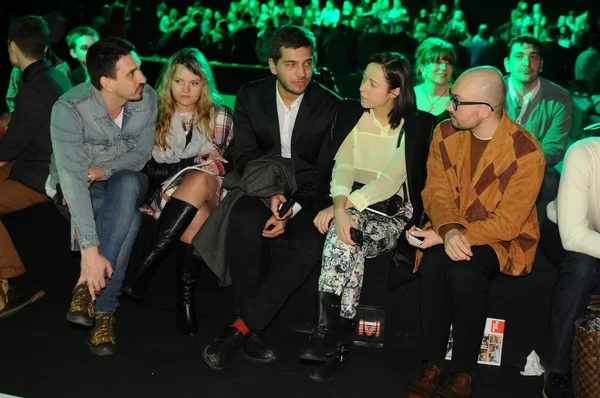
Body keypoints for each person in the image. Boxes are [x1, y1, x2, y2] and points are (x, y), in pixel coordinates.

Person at [201, 25, 341, 371]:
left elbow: (322, 170)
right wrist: (272, 193)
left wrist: (290, 208)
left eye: (307, 64)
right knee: (245, 219)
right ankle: (252, 329)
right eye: (291, 64)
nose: (301, 73)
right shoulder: (251, 95)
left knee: (310, 245)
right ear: (272, 65)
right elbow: (244, 154)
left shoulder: (330, 104)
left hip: (308, 197)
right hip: (259, 187)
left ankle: (240, 328)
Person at [405, 67, 545, 398]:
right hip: (448, 226)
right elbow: (435, 191)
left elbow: (509, 223)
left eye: (456, 101)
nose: (448, 107)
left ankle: (464, 370)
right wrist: (449, 230)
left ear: (484, 110)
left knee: (466, 273)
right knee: (435, 264)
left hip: (502, 241)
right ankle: (434, 363)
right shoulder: (445, 132)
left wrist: (454, 235)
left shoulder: (526, 151)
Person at [299, 52, 436, 381]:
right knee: (346, 240)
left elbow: (389, 181)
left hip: (390, 214)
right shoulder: (352, 113)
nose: (361, 87)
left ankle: (328, 337)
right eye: (363, 79)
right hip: (354, 209)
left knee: (344, 235)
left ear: (394, 92)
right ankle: (335, 339)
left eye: (371, 83)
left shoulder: (416, 124)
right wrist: (340, 208)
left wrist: (342, 209)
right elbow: (342, 165)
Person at [47, 37, 157, 356]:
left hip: (125, 179)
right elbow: (72, 184)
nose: (143, 78)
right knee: (129, 218)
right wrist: (90, 256)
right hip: (76, 191)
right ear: (107, 83)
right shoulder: (69, 109)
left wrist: (99, 171)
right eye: (133, 73)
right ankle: (106, 313)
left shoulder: (146, 98)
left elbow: (140, 156)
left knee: (125, 183)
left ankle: (86, 290)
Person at [121, 48, 234, 336]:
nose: (186, 90)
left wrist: (191, 166)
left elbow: (216, 163)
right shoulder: (153, 114)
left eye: (194, 83)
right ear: (168, 82)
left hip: (211, 187)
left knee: (200, 176)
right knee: (196, 216)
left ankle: (147, 265)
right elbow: (146, 167)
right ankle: (186, 301)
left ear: (204, 85)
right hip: (167, 194)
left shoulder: (220, 115)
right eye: (179, 82)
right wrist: (191, 163)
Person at [0, 15, 72, 318]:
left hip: (41, 178)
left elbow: (8, 149)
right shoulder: (56, 76)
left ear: (13, 48)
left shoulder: (34, 89)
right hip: (44, 167)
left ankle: (17, 279)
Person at [540, 138, 600, 398]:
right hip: (565, 231)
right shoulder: (584, 153)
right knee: (582, 266)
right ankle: (556, 368)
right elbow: (573, 236)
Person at [503, 35, 572, 225]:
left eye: (533, 57)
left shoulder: (559, 98)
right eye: (519, 56)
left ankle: (534, 237)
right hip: (492, 162)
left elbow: (554, 147)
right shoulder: (490, 90)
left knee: (550, 179)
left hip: (533, 166)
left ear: (541, 65)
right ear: (507, 64)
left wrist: (522, 165)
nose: (527, 62)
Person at [414, 37, 456, 125]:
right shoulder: (406, 95)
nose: (444, 68)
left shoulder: (459, 98)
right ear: (422, 68)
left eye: (448, 63)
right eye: (437, 62)